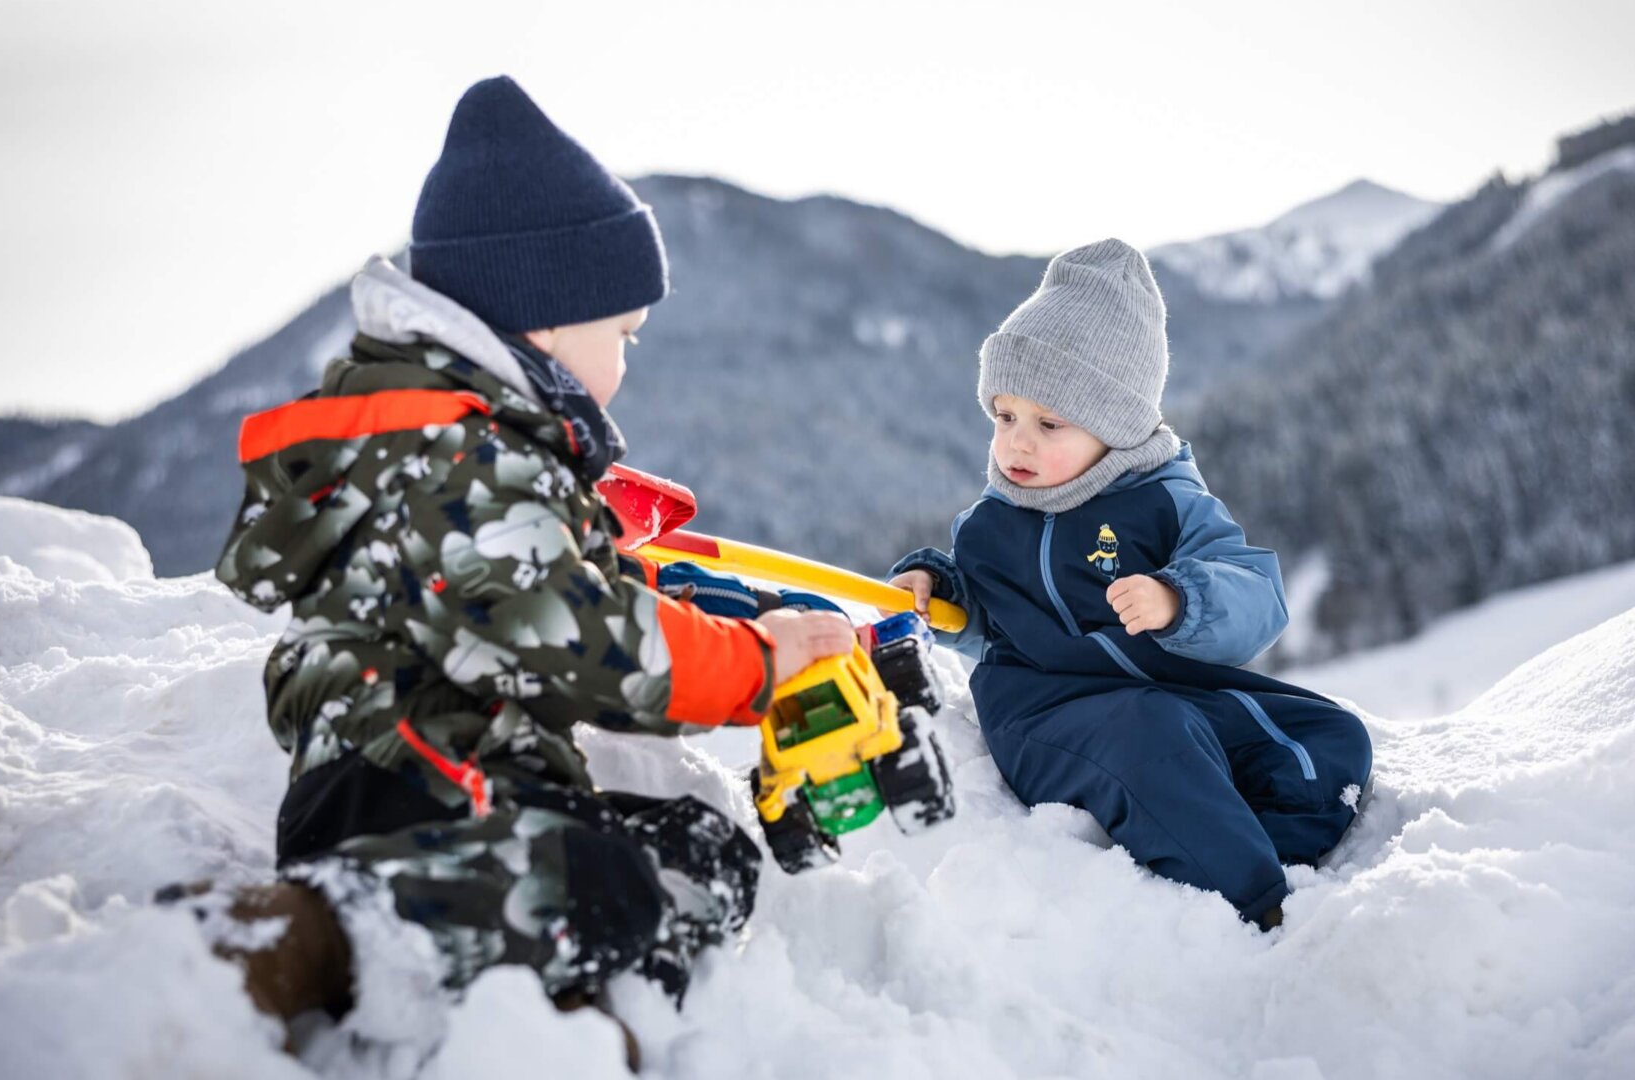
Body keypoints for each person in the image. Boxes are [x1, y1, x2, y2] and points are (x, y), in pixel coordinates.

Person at [190, 76, 856, 1049]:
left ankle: (554, 1024)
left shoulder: (472, 450)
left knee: (698, 854)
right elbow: (585, 637)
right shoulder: (462, 462)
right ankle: (299, 943)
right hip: (405, 784)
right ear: (545, 321)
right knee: (597, 882)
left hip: (463, 778)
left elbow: (569, 590)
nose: (628, 364)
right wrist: (758, 665)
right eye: (622, 336)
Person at [888, 239, 1372, 927]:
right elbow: (975, 609)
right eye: (1005, 416)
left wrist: (1181, 601)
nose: (1017, 443)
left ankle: (1247, 842)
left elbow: (1255, 593)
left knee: (1328, 737)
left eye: (1048, 423)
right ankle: (1258, 905)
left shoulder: (1167, 502)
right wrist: (932, 590)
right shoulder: (991, 526)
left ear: (1113, 428)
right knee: (1151, 742)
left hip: (1174, 692)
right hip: (1043, 715)